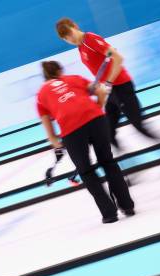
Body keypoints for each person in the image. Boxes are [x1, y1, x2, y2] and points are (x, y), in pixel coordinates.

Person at [37, 61, 135, 224]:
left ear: (45, 76)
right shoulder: (75, 78)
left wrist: (57, 144)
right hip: (96, 120)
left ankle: (109, 214)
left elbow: (50, 132)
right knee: (108, 162)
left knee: (87, 172)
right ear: (60, 70)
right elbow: (101, 90)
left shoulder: (41, 95)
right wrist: (97, 107)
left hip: (71, 130)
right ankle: (127, 207)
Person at [55, 17, 160, 150]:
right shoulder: (81, 48)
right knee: (108, 132)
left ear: (75, 26)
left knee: (139, 126)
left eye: (69, 33)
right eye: (65, 38)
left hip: (121, 87)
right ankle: (126, 160)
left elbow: (118, 58)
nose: (70, 39)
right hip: (110, 92)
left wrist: (109, 82)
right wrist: (99, 85)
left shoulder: (90, 39)